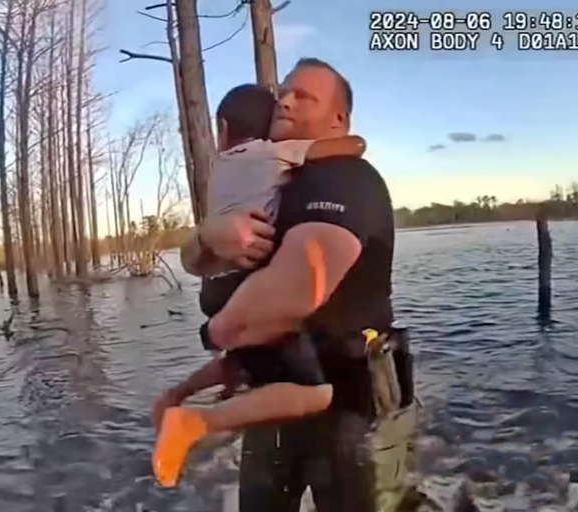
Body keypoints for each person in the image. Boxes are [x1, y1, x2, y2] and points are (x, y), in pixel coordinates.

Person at [155, 58, 414, 512]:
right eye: (285, 93)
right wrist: (205, 235)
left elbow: (293, 295)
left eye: (304, 96)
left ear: (338, 119)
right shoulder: (271, 181)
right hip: (276, 395)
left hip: (351, 406)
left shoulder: (348, 178)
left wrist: (214, 333)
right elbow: (199, 266)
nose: (286, 101)